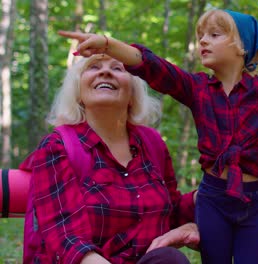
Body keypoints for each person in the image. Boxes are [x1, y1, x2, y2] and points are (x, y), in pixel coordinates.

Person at [58, 9, 258, 264]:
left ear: (242, 46)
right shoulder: (198, 88)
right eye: (201, 35)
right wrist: (107, 45)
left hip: (256, 198)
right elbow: (154, 67)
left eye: (214, 34)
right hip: (214, 197)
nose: (203, 41)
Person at [21, 54, 198, 264]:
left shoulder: (152, 143)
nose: (105, 72)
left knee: (170, 259)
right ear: (78, 93)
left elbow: (169, 211)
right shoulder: (57, 145)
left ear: (132, 93)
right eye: (93, 67)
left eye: (118, 68)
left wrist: (205, 202)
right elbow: (66, 238)